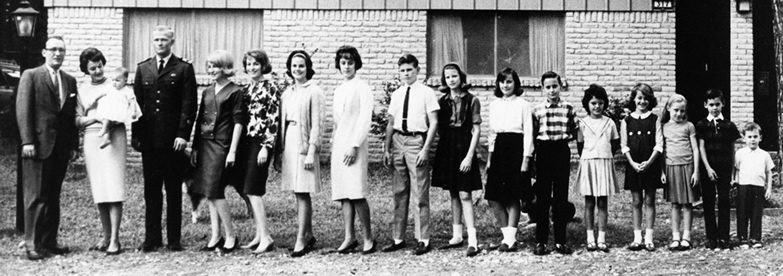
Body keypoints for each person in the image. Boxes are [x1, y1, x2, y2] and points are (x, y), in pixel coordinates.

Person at [132, 25, 198, 252]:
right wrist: (137, 136)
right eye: (156, 40)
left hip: (173, 142)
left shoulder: (183, 68)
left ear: (172, 42)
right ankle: (152, 238)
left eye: (164, 40)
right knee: (151, 190)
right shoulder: (143, 68)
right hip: (150, 141)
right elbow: (137, 106)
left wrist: (182, 134)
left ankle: (173, 238)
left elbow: (189, 105)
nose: (160, 43)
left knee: (172, 189)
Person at [16, 35, 79, 261]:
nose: (57, 53)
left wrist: (73, 145)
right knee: (35, 196)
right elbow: (23, 111)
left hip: (60, 149)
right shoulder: (31, 76)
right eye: (53, 49)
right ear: (44, 52)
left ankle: (49, 242)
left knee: (53, 196)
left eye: (61, 50)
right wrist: (27, 141)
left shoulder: (70, 81)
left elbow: (69, 116)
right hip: (37, 146)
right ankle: (32, 243)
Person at [75, 48, 140, 256]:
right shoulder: (82, 90)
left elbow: (125, 112)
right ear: (86, 70)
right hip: (92, 138)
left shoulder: (115, 84)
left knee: (113, 188)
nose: (97, 71)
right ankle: (104, 236)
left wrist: (106, 118)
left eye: (99, 65)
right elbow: (77, 119)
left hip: (114, 136)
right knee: (100, 190)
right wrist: (95, 118)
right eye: (92, 68)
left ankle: (115, 239)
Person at [382, 54, 439, 256]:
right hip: (398, 140)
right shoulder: (397, 94)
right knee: (399, 192)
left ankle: (423, 238)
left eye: (409, 70)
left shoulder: (426, 92)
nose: (406, 73)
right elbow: (390, 122)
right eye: (402, 70)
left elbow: (434, 122)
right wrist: (387, 147)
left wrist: (425, 148)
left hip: (416, 141)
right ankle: (398, 238)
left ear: (417, 70)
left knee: (419, 192)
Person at [190, 50, 246, 254]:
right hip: (205, 145)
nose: (212, 70)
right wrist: (195, 146)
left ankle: (231, 235)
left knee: (215, 190)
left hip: (222, 145)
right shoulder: (206, 91)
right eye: (210, 66)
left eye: (216, 66)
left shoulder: (235, 91)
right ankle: (215, 236)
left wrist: (232, 150)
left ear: (226, 68)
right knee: (209, 191)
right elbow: (199, 120)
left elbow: (239, 123)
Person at [431, 63, 482, 257]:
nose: (451, 80)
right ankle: (457, 235)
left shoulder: (472, 100)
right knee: (453, 192)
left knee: (465, 194)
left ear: (461, 77)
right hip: (447, 146)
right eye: (447, 77)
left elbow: (476, 130)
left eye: (454, 76)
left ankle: (473, 240)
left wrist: (469, 156)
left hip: (464, 144)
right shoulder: (442, 101)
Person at [330, 46, 376, 255]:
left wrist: (354, 145)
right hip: (340, 144)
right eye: (343, 63)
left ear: (356, 64)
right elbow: (338, 121)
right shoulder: (339, 90)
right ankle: (349, 237)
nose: (346, 66)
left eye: (350, 62)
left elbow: (364, 119)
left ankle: (368, 237)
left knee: (356, 192)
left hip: (355, 145)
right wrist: (336, 142)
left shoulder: (362, 87)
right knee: (343, 193)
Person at [280, 50, 324, 257]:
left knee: (303, 191)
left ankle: (300, 239)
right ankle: (309, 234)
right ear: (289, 68)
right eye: (294, 66)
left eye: (301, 66)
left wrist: (311, 151)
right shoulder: (287, 93)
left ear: (308, 68)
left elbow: (318, 124)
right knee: (297, 191)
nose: (297, 69)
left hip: (304, 142)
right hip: (289, 139)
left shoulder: (314, 91)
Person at [485, 68, 534, 253]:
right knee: (494, 197)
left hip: (516, 149)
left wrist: (526, 159)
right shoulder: (494, 105)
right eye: (502, 82)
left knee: (513, 195)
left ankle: (511, 240)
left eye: (509, 82)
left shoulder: (523, 105)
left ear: (516, 84)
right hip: (499, 149)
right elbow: (491, 134)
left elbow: (528, 133)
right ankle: (507, 238)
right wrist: (490, 158)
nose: (505, 85)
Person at [235, 49, 279, 254]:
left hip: (260, 143)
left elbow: (273, 118)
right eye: (249, 64)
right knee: (247, 189)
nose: (252, 68)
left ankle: (267, 237)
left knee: (254, 189)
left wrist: (266, 146)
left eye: (256, 64)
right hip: (245, 142)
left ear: (263, 66)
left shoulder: (270, 87)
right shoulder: (245, 89)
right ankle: (259, 235)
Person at [531, 71, 577, 255]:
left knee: (560, 197)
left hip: (561, 151)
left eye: (555, 86)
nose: (552, 90)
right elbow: (533, 135)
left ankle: (560, 241)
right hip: (543, 151)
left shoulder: (568, 108)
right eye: (548, 87)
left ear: (560, 87)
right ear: (542, 89)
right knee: (542, 198)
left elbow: (574, 130)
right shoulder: (537, 110)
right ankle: (541, 241)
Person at [575, 84, 619, 253]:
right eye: (593, 103)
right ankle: (590, 238)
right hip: (588, 163)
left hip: (604, 163)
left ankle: (601, 238)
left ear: (604, 104)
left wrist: (604, 155)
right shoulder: (582, 123)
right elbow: (580, 145)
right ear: (587, 104)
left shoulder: (610, 123)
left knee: (602, 201)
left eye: (600, 103)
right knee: (589, 202)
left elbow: (614, 144)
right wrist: (589, 157)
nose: (597, 106)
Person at [696, 89, 741, 250]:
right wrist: (707, 168)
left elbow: (732, 148)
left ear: (723, 104)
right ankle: (711, 237)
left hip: (724, 168)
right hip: (708, 168)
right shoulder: (702, 125)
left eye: (717, 104)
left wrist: (733, 170)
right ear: (705, 105)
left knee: (724, 200)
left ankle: (724, 237)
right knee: (708, 201)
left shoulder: (729, 125)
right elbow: (701, 148)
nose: (714, 108)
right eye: (711, 105)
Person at [620, 83, 663, 252]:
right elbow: (624, 145)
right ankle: (637, 238)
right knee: (636, 201)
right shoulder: (627, 120)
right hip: (634, 165)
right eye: (639, 98)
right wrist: (632, 163)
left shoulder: (655, 119)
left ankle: (649, 238)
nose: (642, 101)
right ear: (634, 100)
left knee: (650, 200)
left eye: (645, 98)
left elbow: (659, 144)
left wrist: (649, 162)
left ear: (650, 100)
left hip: (650, 165)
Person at [660, 94, 700, 251]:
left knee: (688, 204)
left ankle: (686, 237)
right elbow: (662, 151)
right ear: (669, 108)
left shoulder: (689, 126)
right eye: (676, 110)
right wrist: (662, 171)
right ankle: (675, 236)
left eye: (682, 111)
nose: (679, 114)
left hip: (687, 167)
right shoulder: (664, 127)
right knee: (675, 204)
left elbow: (695, 149)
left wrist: (696, 171)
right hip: (671, 167)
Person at [733, 122, 775, 249]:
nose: (752, 140)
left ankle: (755, 238)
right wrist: (735, 182)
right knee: (742, 212)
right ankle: (742, 238)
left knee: (756, 213)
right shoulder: (740, 153)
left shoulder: (764, 155)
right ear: (744, 138)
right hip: (743, 187)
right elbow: (736, 169)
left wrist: (768, 188)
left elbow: (769, 173)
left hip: (758, 187)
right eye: (749, 137)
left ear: (760, 138)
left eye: (755, 137)